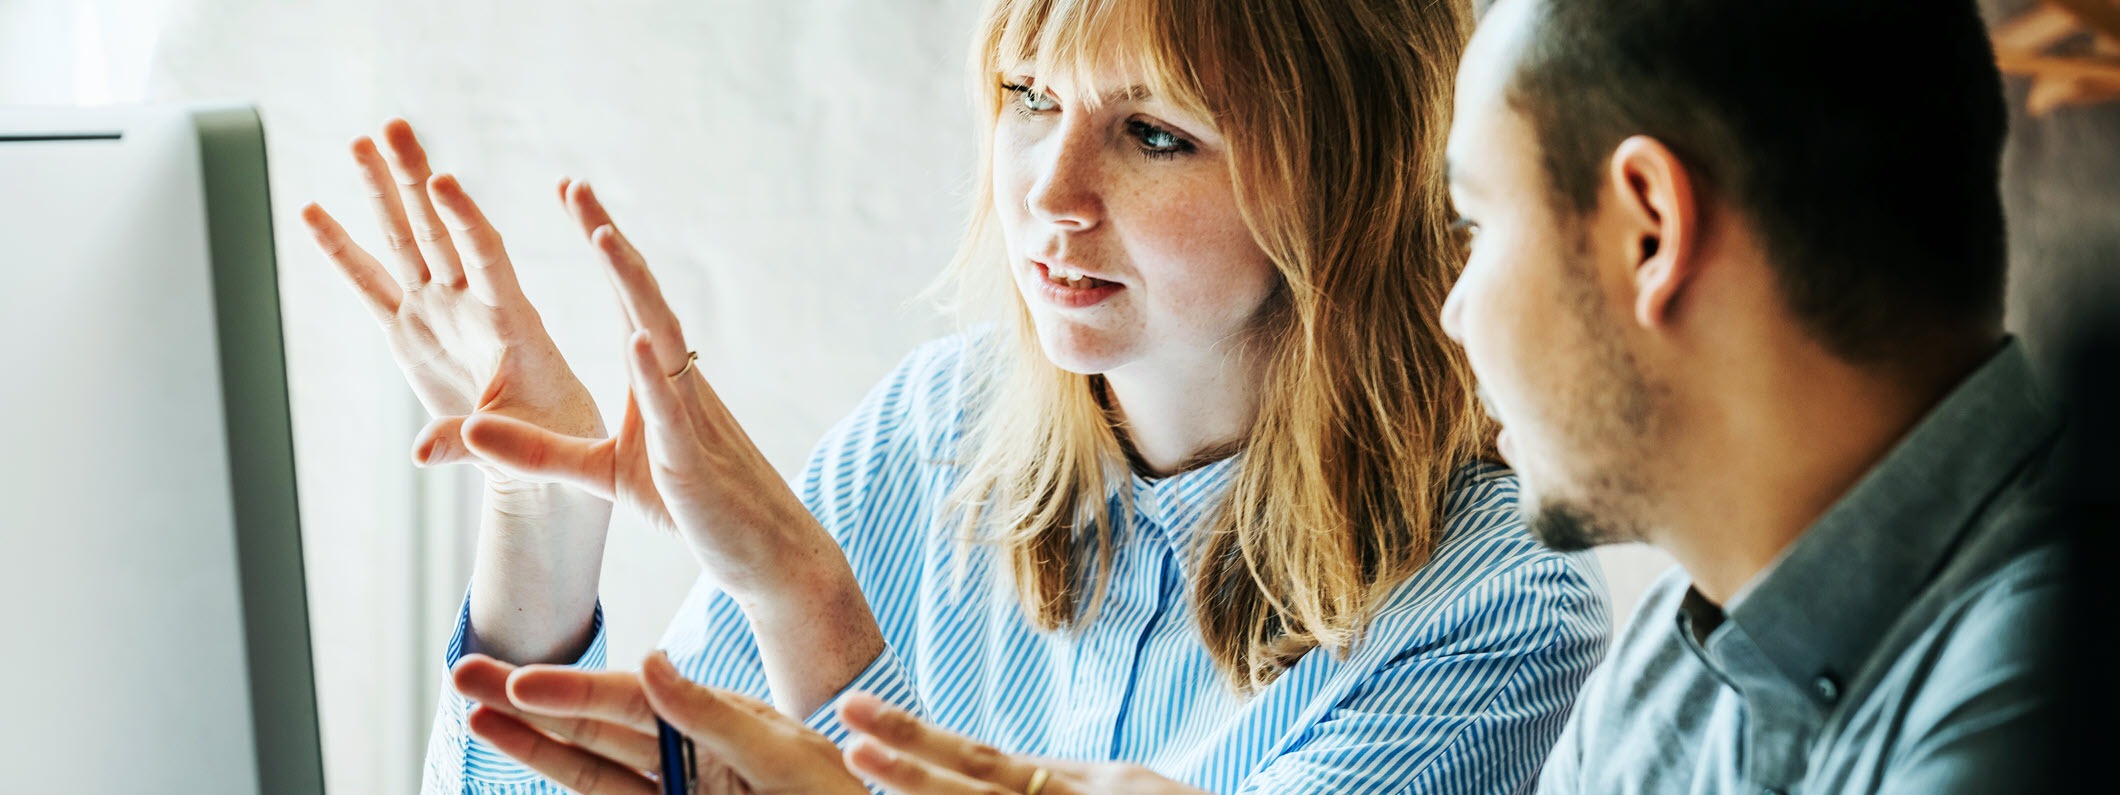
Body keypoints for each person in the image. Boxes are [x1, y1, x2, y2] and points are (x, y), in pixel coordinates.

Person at [551, 0, 2076, 792]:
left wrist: (817, 628)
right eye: (1027, 103)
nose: (1456, 304)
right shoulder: (1686, 687)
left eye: (1475, 226)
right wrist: (542, 537)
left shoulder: (2048, 684)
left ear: (1650, 234)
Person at [300, 0, 1610, 792]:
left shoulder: (1495, 609)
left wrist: (811, 611)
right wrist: (542, 509)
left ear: (1353, 182)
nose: (1046, 192)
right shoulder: (932, 433)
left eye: (1155, 133)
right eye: (1029, 98)